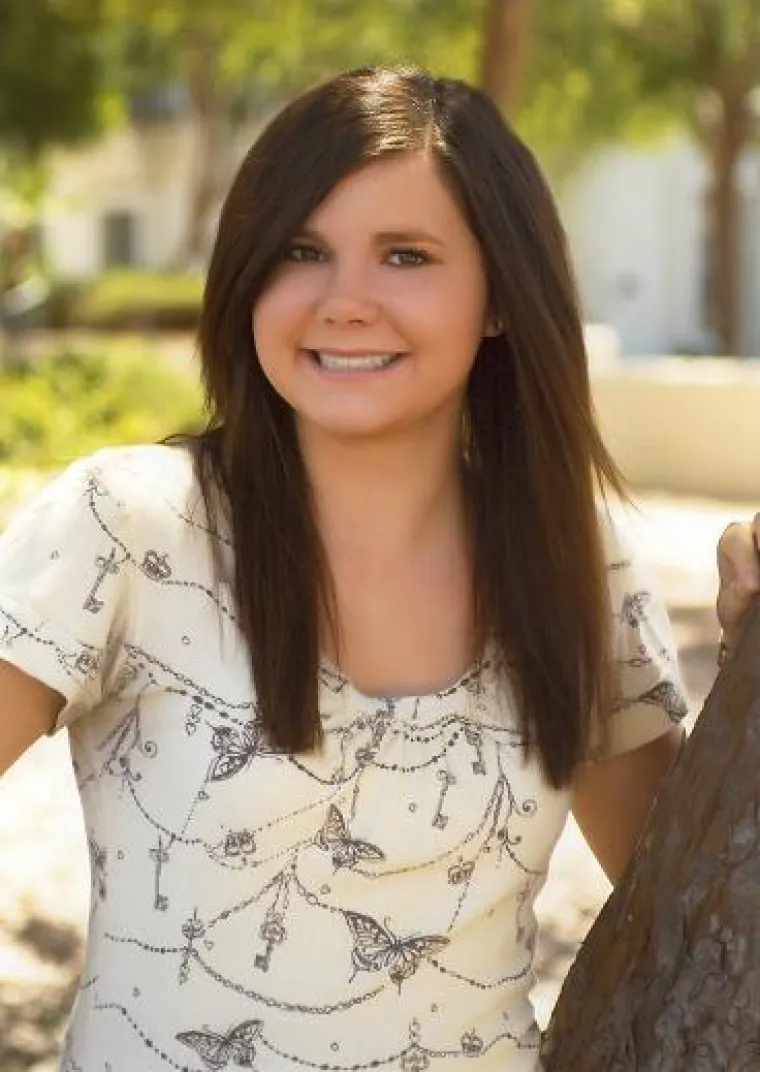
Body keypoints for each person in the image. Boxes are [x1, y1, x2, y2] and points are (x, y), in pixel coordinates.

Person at [0, 66, 757, 1072]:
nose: (345, 301)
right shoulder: (129, 526)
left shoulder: (572, 556)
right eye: (301, 251)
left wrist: (751, 661)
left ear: (500, 297)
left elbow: (690, 910)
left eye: (406, 256)